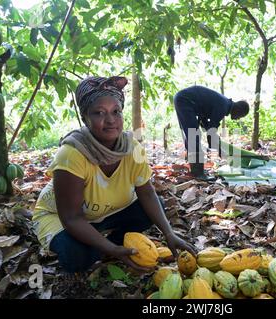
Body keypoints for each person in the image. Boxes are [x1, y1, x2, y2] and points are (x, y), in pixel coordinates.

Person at [33, 75, 196, 274]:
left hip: (105, 214)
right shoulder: (71, 154)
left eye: (116, 111)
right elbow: (72, 217)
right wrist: (111, 249)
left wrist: (169, 233)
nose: (110, 120)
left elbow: (147, 193)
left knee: (152, 210)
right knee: (75, 257)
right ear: (85, 117)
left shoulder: (131, 148)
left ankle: (103, 242)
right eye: (99, 113)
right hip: (59, 217)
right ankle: (103, 245)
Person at [174, 85, 249, 180]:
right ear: (239, 110)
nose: (238, 119)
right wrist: (219, 150)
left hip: (184, 99)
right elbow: (211, 132)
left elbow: (205, 122)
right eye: (240, 116)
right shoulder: (223, 107)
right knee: (193, 135)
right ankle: (198, 173)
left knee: (193, 134)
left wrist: (214, 142)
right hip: (184, 100)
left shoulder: (224, 104)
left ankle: (195, 169)